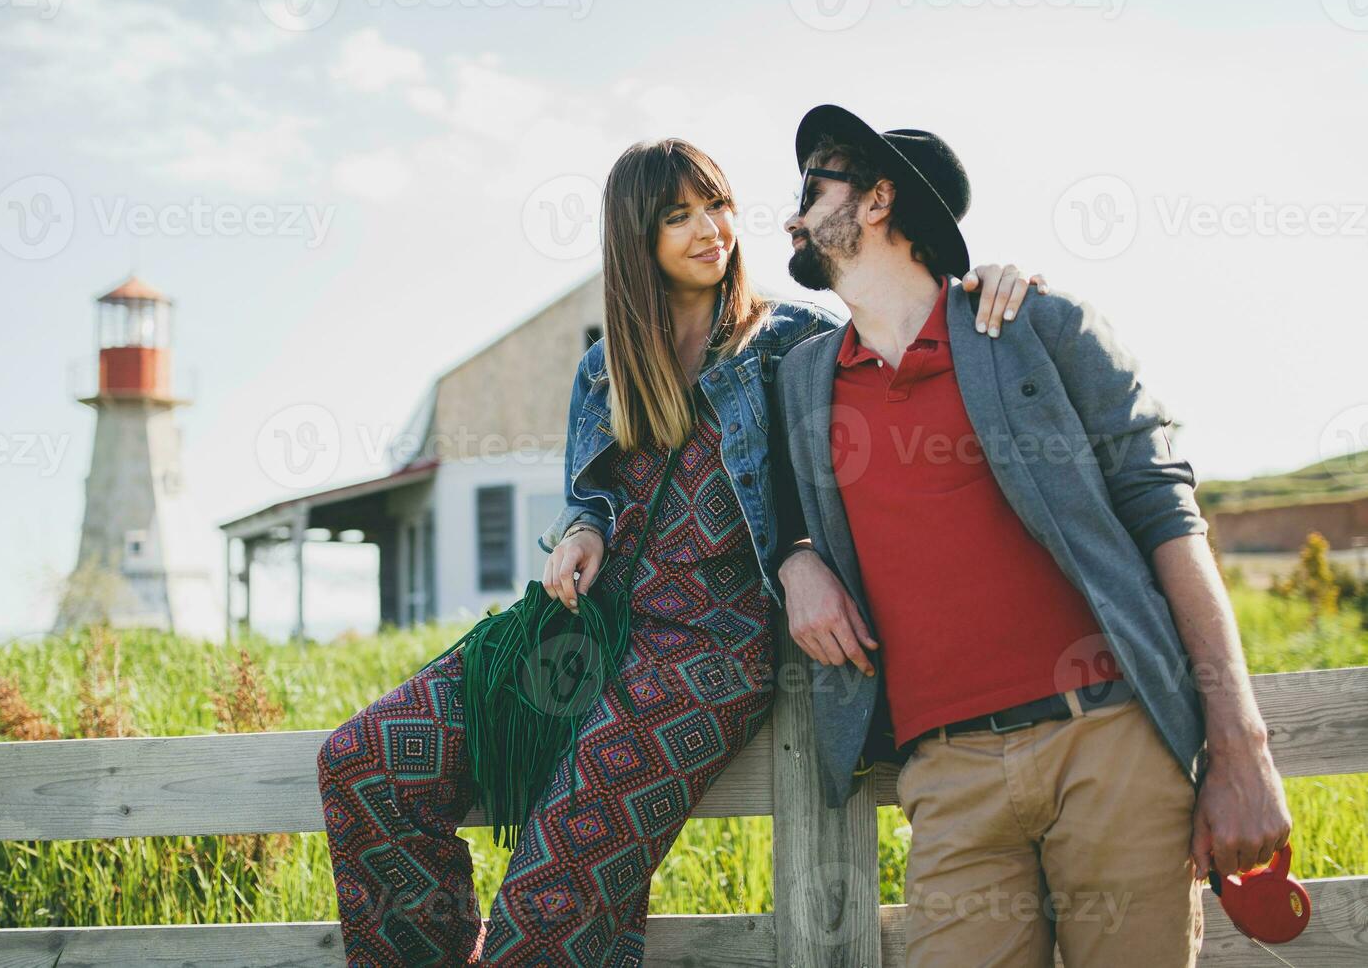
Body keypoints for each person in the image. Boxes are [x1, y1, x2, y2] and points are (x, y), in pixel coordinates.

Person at [316, 134, 1039, 966]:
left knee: (547, 906)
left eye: (719, 206)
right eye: (678, 216)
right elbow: (594, 494)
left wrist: (993, 284)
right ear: (636, 236)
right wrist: (583, 529)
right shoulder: (604, 367)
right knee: (365, 762)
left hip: (707, 652)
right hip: (587, 630)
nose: (711, 230)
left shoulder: (793, 341)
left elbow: (908, 335)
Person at [771, 103, 1292, 968]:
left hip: (1111, 745)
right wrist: (794, 563)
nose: (791, 212)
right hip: (946, 780)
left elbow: (1168, 516)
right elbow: (755, 492)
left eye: (811, 186)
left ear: (876, 201)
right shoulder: (800, 380)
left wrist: (1241, 746)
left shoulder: (1039, 329)